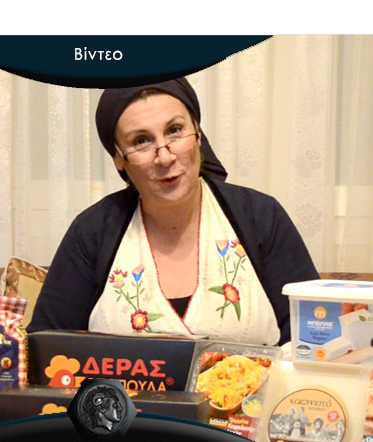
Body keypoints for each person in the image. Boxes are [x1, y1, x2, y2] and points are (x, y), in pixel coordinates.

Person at [28, 78, 318, 345]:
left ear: (198, 134)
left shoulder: (260, 216)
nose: (165, 157)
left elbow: (315, 335)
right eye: (141, 141)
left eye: (175, 130)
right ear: (119, 158)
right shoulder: (93, 232)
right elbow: (45, 347)